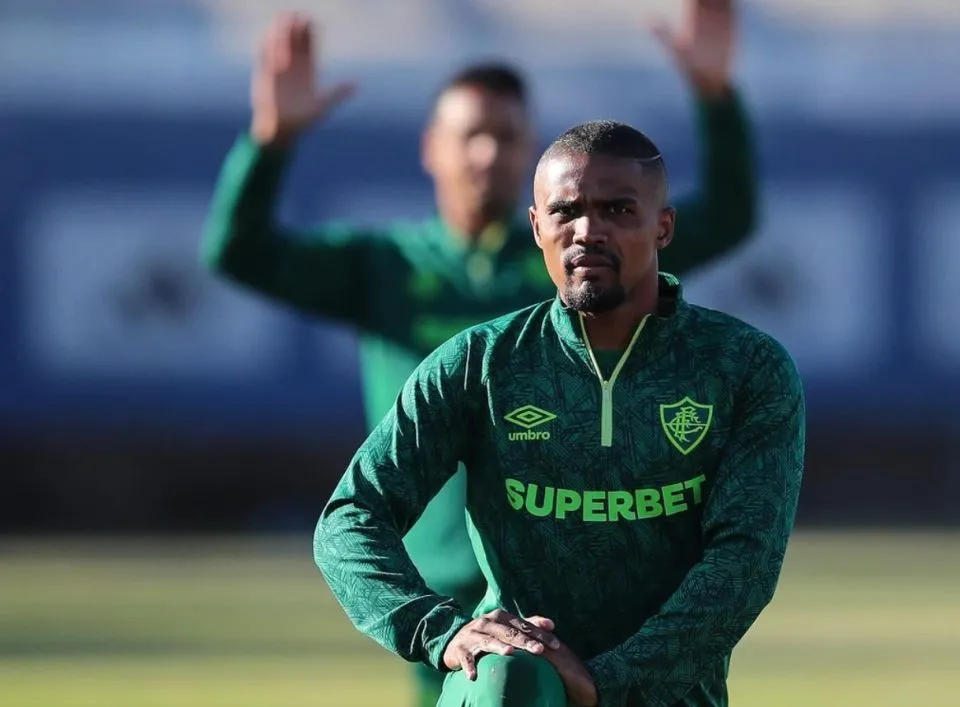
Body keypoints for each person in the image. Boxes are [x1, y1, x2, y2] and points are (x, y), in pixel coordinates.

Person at [203, 1, 757, 703]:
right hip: (435, 574)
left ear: (531, 154)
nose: (489, 152)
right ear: (431, 146)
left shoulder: (586, 264)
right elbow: (238, 252)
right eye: (471, 135)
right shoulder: (389, 266)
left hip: (564, 562)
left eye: (507, 135)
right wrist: (269, 144)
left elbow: (728, 215)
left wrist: (716, 99)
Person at [313, 119, 806, 707]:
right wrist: (438, 630)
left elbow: (743, 564)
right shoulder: (481, 364)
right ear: (536, 227)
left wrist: (608, 682)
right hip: (515, 689)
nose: (588, 231)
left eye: (619, 211)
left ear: (664, 227)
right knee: (508, 679)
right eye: (565, 212)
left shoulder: (745, 368)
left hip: (665, 696)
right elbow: (350, 517)